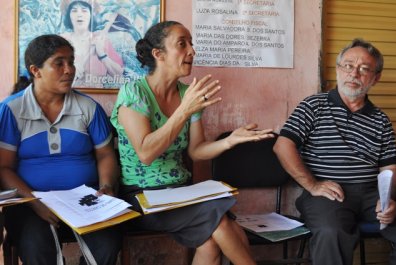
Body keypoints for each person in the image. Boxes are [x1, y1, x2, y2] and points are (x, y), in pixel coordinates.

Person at [110, 20, 275, 265]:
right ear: (158, 54)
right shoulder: (134, 93)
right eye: (182, 44)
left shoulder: (188, 94)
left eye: (191, 43)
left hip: (182, 192)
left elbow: (197, 151)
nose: (192, 51)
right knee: (219, 222)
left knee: (213, 240)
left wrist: (230, 141)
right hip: (142, 197)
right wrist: (183, 112)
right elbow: (146, 153)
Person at [273, 38, 396, 265]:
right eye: (348, 66)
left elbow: (390, 166)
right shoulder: (313, 105)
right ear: (338, 69)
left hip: (372, 194)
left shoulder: (380, 119)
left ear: (376, 77)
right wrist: (312, 185)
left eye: (364, 69)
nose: (354, 74)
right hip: (328, 193)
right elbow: (283, 145)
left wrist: (388, 197)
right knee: (332, 232)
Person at [0, 34, 121, 265]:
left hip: (86, 199)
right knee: (35, 246)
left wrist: (106, 186)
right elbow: (4, 168)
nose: (69, 70)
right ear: (36, 70)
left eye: (71, 61)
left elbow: (105, 154)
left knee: (107, 243)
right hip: (29, 201)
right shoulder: (11, 110)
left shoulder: (88, 108)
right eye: (59, 63)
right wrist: (35, 203)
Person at [60, 0, 124, 88]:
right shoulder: (62, 40)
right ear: (69, 16)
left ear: (91, 15)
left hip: (98, 98)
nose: (79, 14)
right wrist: (70, 69)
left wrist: (102, 55)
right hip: (68, 97)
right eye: (74, 11)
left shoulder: (101, 40)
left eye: (84, 10)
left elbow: (119, 74)